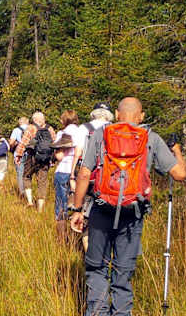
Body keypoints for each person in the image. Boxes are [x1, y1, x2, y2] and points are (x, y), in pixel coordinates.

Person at [69, 97, 186, 316]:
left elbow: (85, 173)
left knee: (96, 267)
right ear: (140, 115)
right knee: (122, 278)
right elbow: (179, 174)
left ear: (116, 114)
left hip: (101, 210)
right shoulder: (150, 138)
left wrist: (77, 209)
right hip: (133, 215)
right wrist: (176, 150)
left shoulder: (101, 134)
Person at [70, 102, 114, 251]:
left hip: (89, 176)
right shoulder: (114, 129)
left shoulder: (85, 128)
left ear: (93, 113)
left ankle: (90, 255)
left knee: (86, 215)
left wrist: (72, 174)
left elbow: (78, 152)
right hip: (110, 179)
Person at [15, 112, 57, 212]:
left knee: (26, 176)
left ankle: (29, 201)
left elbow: (23, 142)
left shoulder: (31, 128)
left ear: (34, 119)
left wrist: (18, 155)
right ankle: (40, 208)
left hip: (32, 157)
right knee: (42, 182)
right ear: (43, 119)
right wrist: (53, 158)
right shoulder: (49, 128)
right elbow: (54, 143)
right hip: (45, 159)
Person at [52, 110, 81, 241]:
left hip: (64, 171)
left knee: (61, 206)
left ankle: (62, 239)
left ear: (64, 120)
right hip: (79, 172)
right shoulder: (83, 132)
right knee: (78, 205)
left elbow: (59, 156)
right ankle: (79, 236)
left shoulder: (62, 133)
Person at [9, 117, 29, 196]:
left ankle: (22, 193)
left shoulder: (16, 130)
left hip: (19, 154)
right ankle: (29, 192)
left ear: (19, 122)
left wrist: (13, 146)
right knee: (28, 174)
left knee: (20, 174)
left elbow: (11, 142)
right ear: (27, 122)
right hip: (30, 154)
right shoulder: (31, 129)